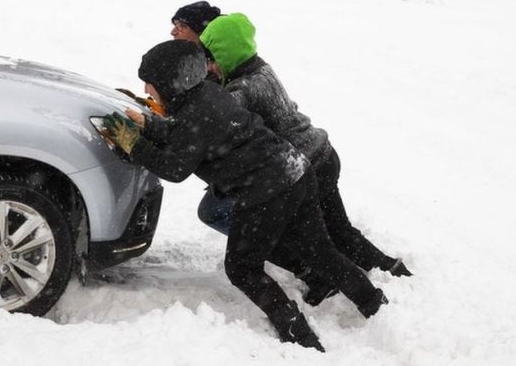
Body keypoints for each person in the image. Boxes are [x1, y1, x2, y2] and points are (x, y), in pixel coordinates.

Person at [103, 40, 389, 352]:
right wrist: (150, 125)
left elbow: (175, 167)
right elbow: (184, 133)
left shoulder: (196, 112)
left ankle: (296, 334)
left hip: (267, 191)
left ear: (172, 84)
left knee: (242, 268)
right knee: (320, 251)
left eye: (151, 81)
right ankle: (376, 304)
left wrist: (133, 143)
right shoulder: (206, 95)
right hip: (295, 171)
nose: (146, 87)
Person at [198, 13, 411, 303]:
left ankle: (336, 281)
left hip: (304, 166)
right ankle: (391, 269)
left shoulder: (243, 89)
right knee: (339, 232)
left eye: (213, 57)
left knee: (314, 242)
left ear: (226, 53)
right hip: (321, 153)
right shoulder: (259, 68)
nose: (210, 65)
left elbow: (217, 122)